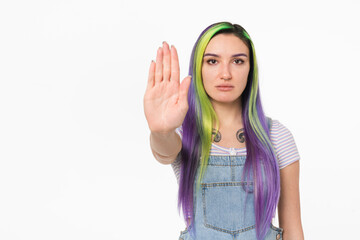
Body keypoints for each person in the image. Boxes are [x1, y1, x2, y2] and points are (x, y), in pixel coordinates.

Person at [143, 22, 304, 240]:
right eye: (212, 61)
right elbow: (164, 150)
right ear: (199, 68)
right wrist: (161, 130)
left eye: (238, 61)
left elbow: (292, 230)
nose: (225, 74)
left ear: (250, 69)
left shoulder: (276, 136)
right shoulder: (184, 134)